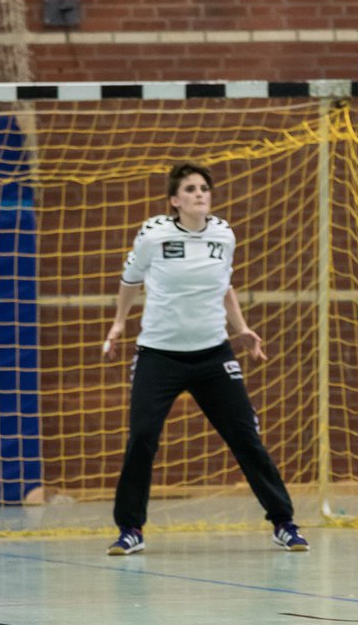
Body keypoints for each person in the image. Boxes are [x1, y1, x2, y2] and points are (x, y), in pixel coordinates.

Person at [102, 163, 308, 555]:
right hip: (159, 355)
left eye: (204, 189)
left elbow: (224, 285)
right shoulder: (153, 234)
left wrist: (242, 329)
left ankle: (283, 521)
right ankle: (130, 529)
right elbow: (130, 280)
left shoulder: (223, 234)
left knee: (245, 437)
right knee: (142, 438)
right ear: (175, 201)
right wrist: (117, 325)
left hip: (213, 354)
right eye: (191, 189)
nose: (200, 194)